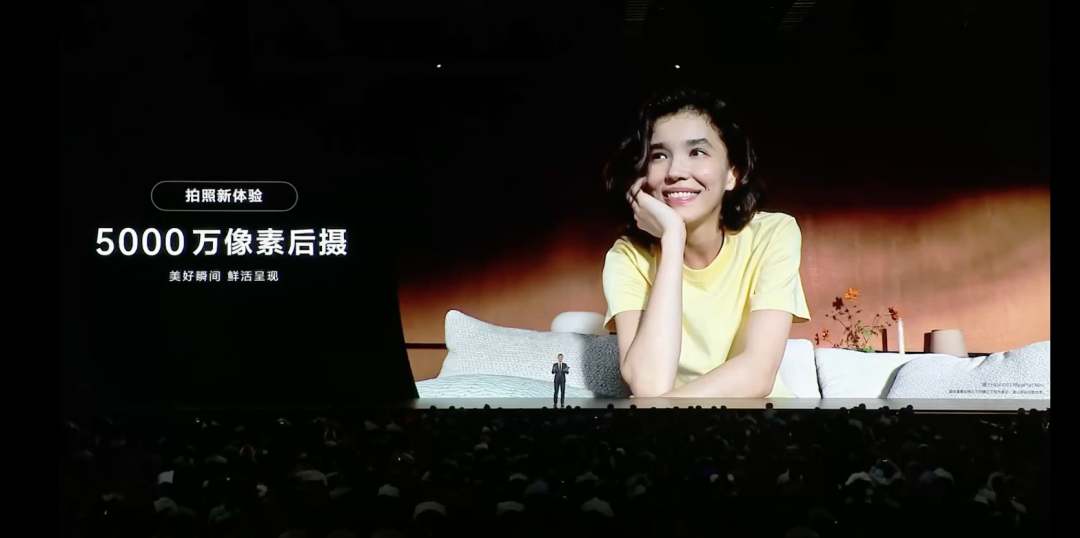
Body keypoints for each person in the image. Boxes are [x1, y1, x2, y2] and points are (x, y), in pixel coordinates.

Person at [602, 87, 811, 398]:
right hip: (671, 423)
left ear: (732, 174)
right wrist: (673, 239)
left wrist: (659, 408)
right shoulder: (627, 258)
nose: (675, 172)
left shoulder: (773, 234)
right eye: (659, 156)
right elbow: (649, 385)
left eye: (697, 152)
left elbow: (758, 373)